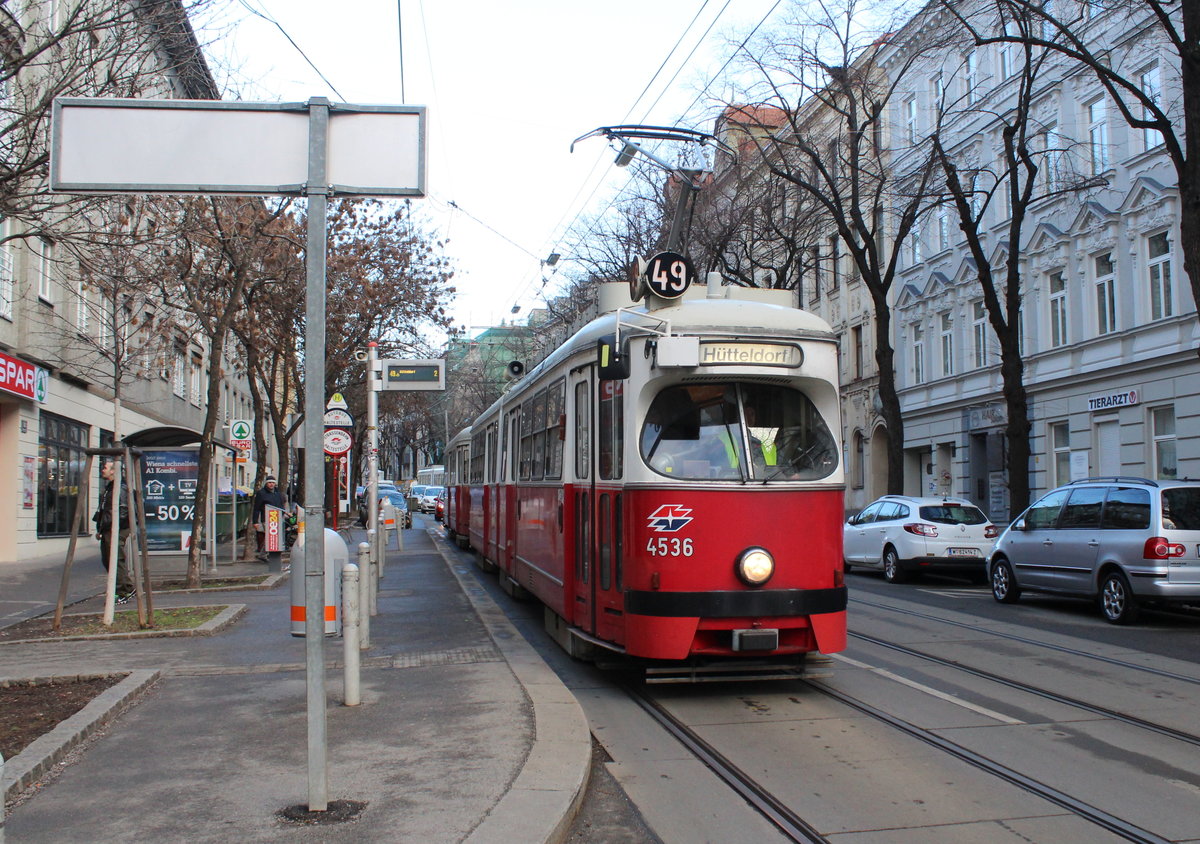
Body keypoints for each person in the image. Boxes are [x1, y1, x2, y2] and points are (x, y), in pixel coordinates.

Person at [93, 460, 133, 603]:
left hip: (116, 529)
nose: (102, 470)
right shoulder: (110, 488)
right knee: (109, 560)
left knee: (115, 560)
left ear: (113, 471)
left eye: (105, 468)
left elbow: (119, 512)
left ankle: (121, 591)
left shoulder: (118, 489)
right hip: (110, 528)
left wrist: (105, 527)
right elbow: (105, 510)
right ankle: (127, 587)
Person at [251, 475, 285, 557]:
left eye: (273, 483)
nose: (271, 484)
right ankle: (266, 554)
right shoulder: (261, 494)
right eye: (269, 482)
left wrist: (283, 514)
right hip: (267, 519)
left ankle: (263, 554)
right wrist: (255, 521)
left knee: (271, 537)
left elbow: (281, 505)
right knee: (271, 537)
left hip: (277, 518)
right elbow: (256, 508)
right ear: (266, 483)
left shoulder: (278, 493)